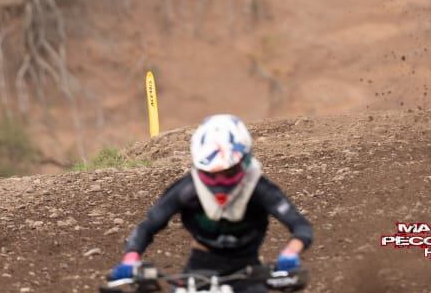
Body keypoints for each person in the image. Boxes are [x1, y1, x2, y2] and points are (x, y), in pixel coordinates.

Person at [107, 114, 313, 292]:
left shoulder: (258, 188)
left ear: (245, 160)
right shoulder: (187, 190)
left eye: (229, 171)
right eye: (211, 174)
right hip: (200, 268)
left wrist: (290, 253)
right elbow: (147, 226)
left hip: (248, 272)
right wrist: (131, 259)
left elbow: (300, 226)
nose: (220, 182)